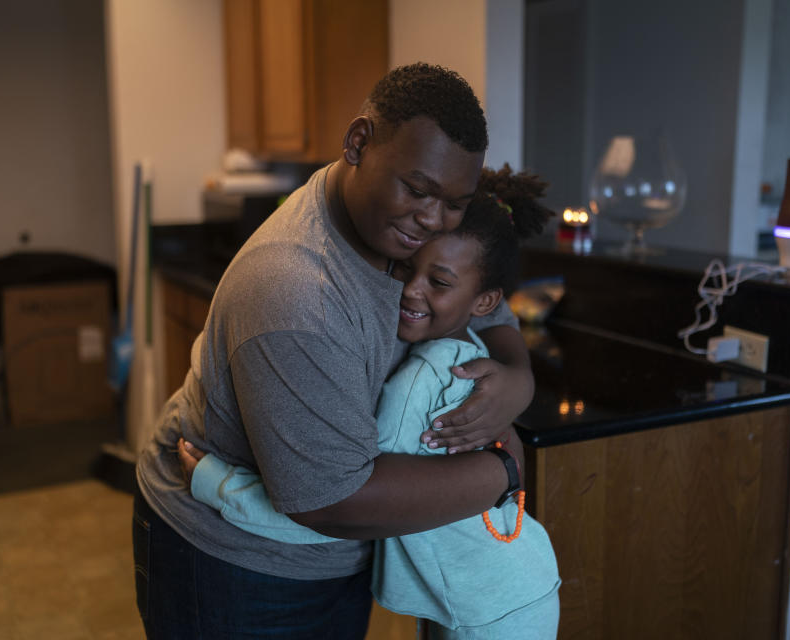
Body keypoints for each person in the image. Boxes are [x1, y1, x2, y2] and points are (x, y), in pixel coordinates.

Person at [133, 63, 535, 639]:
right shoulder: (297, 292)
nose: (432, 219)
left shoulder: (404, 229)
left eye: (454, 203)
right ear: (358, 143)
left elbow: (486, 303)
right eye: (418, 191)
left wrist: (519, 378)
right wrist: (503, 469)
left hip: (343, 553)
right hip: (235, 563)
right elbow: (330, 501)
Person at [179, 164, 562, 639]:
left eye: (438, 282)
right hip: (512, 588)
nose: (409, 287)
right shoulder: (466, 346)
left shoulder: (424, 379)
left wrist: (220, 486)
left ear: (483, 301)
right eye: (404, 267)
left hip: (491, 614)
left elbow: (341, 499)